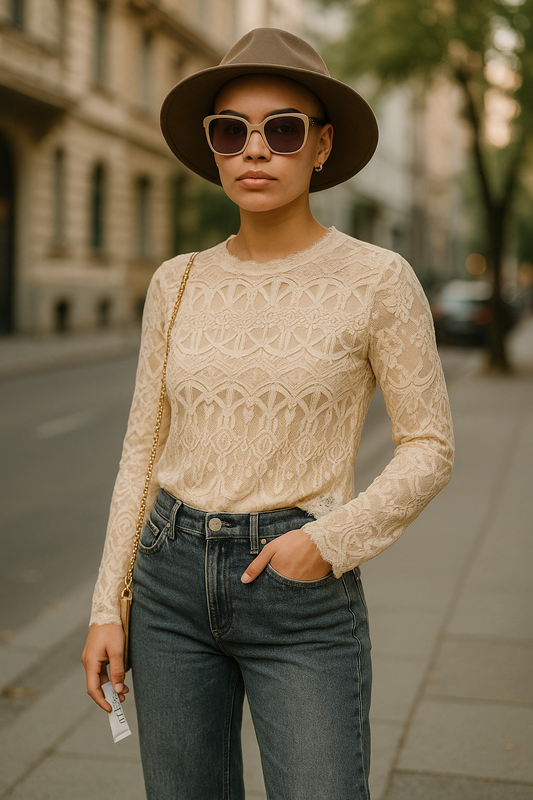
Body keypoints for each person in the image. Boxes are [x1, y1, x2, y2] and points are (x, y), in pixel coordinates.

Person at [82, 27, 454, 800]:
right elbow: (140, 451)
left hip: (299, 592)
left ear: (320, 147)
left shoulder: (378, 280)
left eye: (281, 130)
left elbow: (428, 445)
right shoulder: (176, 281)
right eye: (231, 131)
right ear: (213, 149)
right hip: (169, 584)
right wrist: (105, 608)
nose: (255, 150)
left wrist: (326, 541)